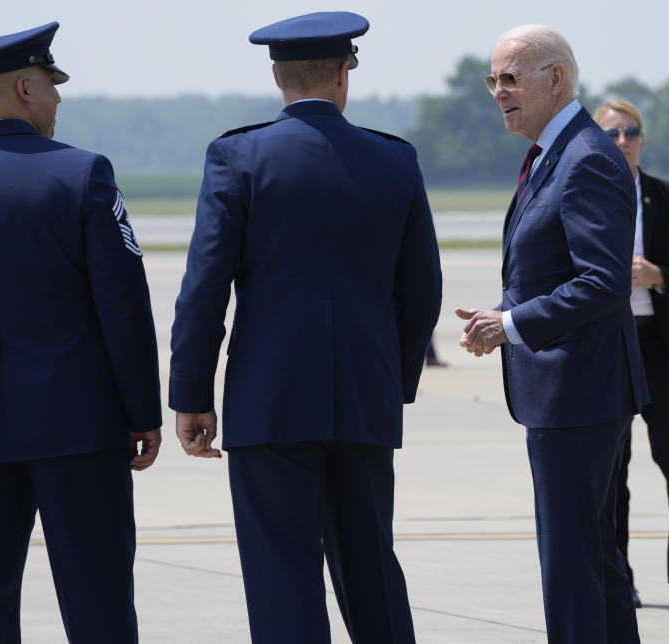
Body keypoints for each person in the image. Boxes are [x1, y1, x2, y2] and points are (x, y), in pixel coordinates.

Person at [168, 11, 442, 644]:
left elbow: (205, 287)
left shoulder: (238, 156)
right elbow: (421, 291)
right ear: (346, 73)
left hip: (269, 402)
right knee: (371, 567)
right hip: (363, 400)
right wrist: (391, 382)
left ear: (276, 76)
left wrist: (191, 394)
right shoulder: (394, 160)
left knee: (280, 573)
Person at [0, 22, 162, 643]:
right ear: (26, 89)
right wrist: (141, 410)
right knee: (99, 599)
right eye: (52, 86)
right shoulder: (82, 173)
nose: (59, 99)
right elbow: (123, 303)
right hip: (78, 425)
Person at [457, 25, 648, 644]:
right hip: (572, 391)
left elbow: (601, 283)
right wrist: (503, 320)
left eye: (510, 78)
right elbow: (547, 269)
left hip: (580, 391)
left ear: (555, 79)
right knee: (594, 563)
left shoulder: (586, 156)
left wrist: (510, 325)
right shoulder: (553, 152)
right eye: (494, 79)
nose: (498, 92)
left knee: (572, 567)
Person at [593, 100, 669, 609]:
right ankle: (617, 575)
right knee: (610, 467)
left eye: (631, 132)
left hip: (662, 347)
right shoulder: (585, 193)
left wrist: (658, 276)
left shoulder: (667, 196)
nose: (623, 140)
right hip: (608, 347)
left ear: (642, 140)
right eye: (613, 133)